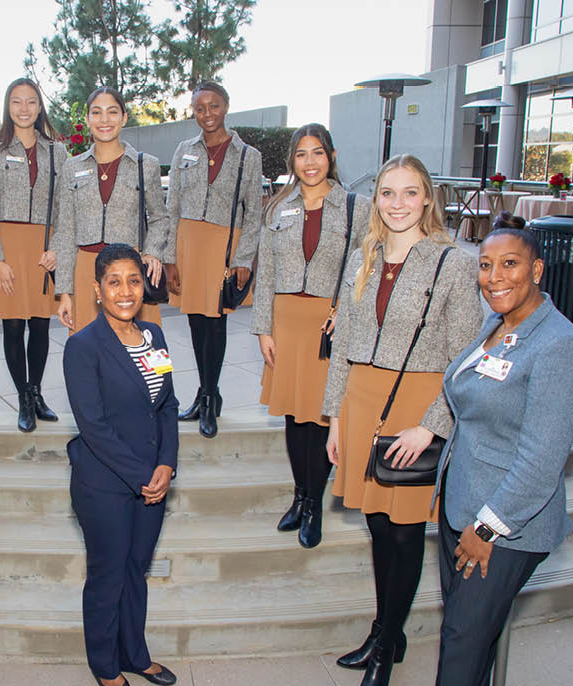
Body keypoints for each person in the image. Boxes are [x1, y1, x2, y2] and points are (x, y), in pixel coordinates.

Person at [321, 155, 482, 686]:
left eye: (408, 193)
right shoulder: (363, 256)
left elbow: (465, 358)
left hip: (417, 404)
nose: (396, 203)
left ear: (427, 199)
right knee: (376, 526)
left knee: (405, 531)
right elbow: (341, 346)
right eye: (387, 193)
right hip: (363, 402)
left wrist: (433, 425)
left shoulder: (453, 264)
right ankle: (383, 629)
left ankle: (388, 644)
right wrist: (336, 418)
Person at [430, 214, 573, 686]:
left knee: (461, 646)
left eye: (509, 264)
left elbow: (542, 461)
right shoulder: (497, 324)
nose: (494, 277)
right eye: (485, 265)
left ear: (537, 269)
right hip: (462, 505)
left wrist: (487, 529)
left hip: (502, 527)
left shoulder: (561, 347)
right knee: (469, 646)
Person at [63, 244, 179, 686]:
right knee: (109, 574)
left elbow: (167, 405)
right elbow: (94, 427)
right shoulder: (82, 347)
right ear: (97, 290)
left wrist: (167, 464)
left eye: (134, 280)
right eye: (114, 281)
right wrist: (143, 476)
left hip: (153, 480)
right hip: (106, 485)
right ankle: (104, 662)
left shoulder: (155, 337)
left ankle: (134, 651)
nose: (126, 291)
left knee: (137, 569)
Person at [252, 123, 371, 546]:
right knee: (293, 417)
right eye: (301, 154)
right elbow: (265, 271)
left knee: (321, 417)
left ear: (332, 156)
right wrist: (262, 327)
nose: (310, 162)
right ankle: (300, 496)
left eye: (317, 153)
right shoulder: (276, 209)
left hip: (327, 325)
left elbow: (366, 267)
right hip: (285, 323)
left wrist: (347, 311)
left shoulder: (356, 207)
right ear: (292, 161)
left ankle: (314, 504)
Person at [165, 81, 263, 438]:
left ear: (226, 106)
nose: (207, 113)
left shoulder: (247, 156)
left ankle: (208, 398)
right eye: (200, 107)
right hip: (188, 244)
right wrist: (169, 257)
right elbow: (171, 206)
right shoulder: (183, 151)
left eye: (214, 105)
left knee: (216, 323)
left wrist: (244, 258)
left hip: (224, 245)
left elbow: (254, 213)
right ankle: (208, 392)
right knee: (195, 322)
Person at [0, 77, 68, 433]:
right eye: (17, 102)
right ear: (8, 106)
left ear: (39, 106)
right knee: (14, 327)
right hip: (8, 250)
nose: (24, 108)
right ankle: (23, 397)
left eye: (31, 101)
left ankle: (37, 392)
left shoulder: (56, 151)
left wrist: (58, 247)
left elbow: (65, 208)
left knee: (41, 326)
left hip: (43, 250)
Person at [54, 87, 168, 334]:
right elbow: (64, 232)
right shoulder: (71, 167)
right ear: (87, 119)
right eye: (97, 112)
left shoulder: (144, 164)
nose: (104, 120)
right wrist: (64, 292)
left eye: (112, 112)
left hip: (131, 272)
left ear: (124, 117)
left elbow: (159, 217)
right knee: (90, 357)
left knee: (138, 355)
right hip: (86, 273)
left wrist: (152, 251)